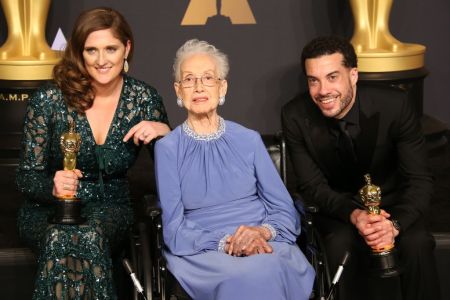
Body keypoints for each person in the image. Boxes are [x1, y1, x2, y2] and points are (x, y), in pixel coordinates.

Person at [16, 7, 170, 299]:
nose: (101, 61)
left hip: (111, 207)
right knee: (62, 236)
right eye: (91, 50)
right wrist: (52, 185)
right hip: (47, 211)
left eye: (110, 49)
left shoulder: (143, 99)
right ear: (79, 52)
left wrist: (167, 132)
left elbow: (177, 170)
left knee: (86, 235)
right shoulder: (48, 100)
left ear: (127, 48)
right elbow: (25, 177)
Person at [281, 36, 440, 300]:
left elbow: (420, 179)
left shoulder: (395, 105)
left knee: (417, 243)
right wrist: (354, 215)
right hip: (339, 208)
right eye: (313, 80)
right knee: (338, 244)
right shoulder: (295, 115)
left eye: (332, 77)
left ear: (353, 75)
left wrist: (394, 225)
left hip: (395, 205)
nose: (322, 90)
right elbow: (312, 186)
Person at [154, 39, 314, 300]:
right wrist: (227, 242)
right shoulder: (168, 148)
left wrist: (260, 233)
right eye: (189, 80)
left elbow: (284, 209)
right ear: (178, 90)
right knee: (244, 275)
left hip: (263, 241)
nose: (198, 87)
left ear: (222, 86)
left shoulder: (248, 139)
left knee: (267, 266)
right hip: (203, 252)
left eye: (208, 78)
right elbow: (173, 227)